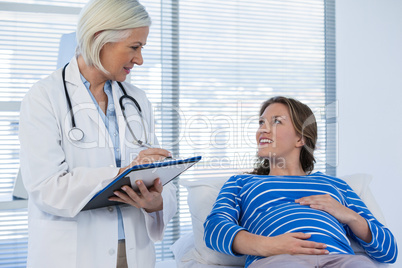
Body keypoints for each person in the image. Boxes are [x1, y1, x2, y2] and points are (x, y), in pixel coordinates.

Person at [18, 0, 177, 267]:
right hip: (74, 253)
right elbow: (46, 188)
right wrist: (121, 174)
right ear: (100, 39)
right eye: (134, 47)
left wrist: (155, 201)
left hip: (133, 251)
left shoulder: (136, 100)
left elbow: (158, 175)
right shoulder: (44, 97)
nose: (139, 59)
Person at [203, 96, 398, 268]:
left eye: (276, 122)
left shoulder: (336, 186)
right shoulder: (242, 183)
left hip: (341, 260)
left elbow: (389, 251)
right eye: (261, 123)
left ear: (301, 139)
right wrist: (270, 246)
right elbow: (214, 229)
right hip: (279, 260)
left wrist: (349, 215)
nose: (263, 129)